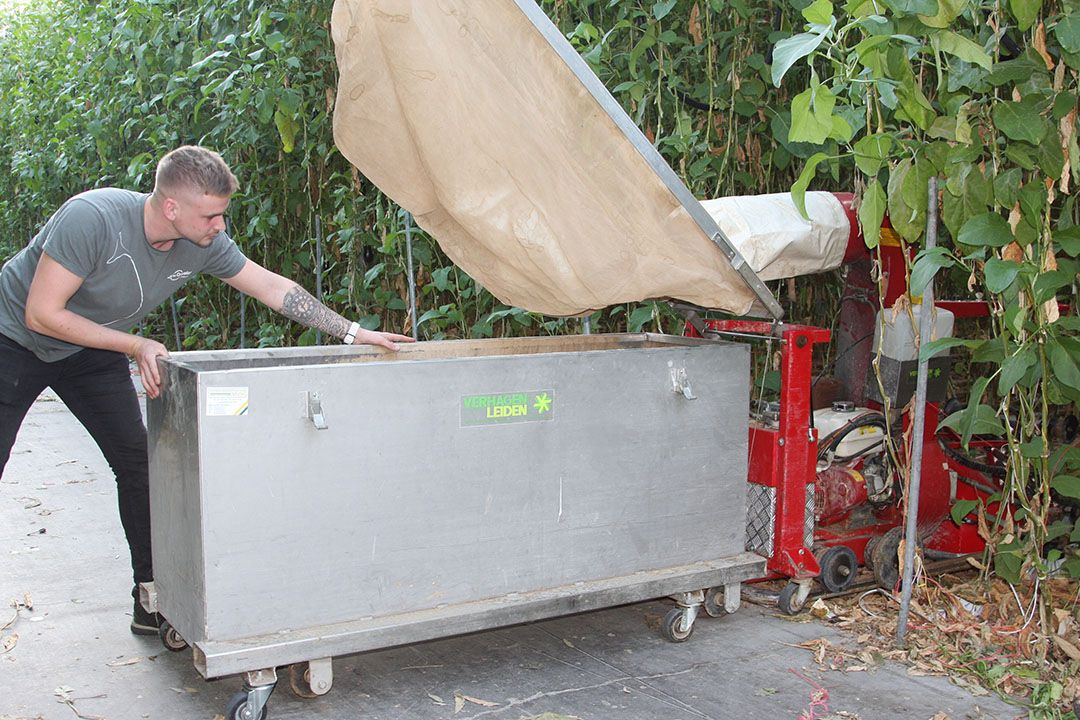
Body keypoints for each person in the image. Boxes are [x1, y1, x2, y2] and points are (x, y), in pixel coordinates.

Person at [0, 146, 414, 634]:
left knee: (138, 465)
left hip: (89, 352)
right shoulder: (92, 219)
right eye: (212, 214)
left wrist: (352, 332)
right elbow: (42, 313)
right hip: (14, 340)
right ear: (171, 207)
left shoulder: (202, 242)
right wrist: (135, 343)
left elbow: (271, 287)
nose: (220, 225)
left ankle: (152, 599)